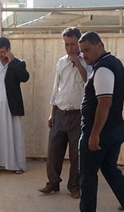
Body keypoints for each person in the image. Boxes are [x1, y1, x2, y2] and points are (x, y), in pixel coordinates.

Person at [62, 31, 124, 212]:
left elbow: (104, 103)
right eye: (82, 51)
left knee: (88, 174)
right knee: (110, 170)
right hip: (114, 129)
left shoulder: (103, 69)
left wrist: (94, 135)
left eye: (88, 50)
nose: (85, 55)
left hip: (101, 133)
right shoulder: (112, 63)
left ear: (100, 45)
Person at [39, 28, 92, 198]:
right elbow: (57, 88)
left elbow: (89, 83)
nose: (70, 48)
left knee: (77, 154)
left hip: (79, 115)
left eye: (73, 44)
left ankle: (74, 186)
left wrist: (77, 62)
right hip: (61, 112)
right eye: (66, 45)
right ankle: (53, 183)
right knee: (54, 151)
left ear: (79, 43)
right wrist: (52, 112)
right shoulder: (61, 62)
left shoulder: (88, 61)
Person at [0, 37, 30, 174]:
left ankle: (16, 165)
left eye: (2, 52)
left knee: (13, 133)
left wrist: (12, 62)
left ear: (8, 50)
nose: (0, 55)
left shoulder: (18, 63)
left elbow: (24, 77)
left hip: (10, 106)